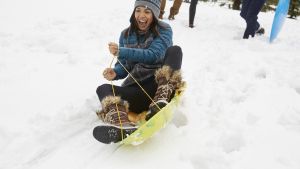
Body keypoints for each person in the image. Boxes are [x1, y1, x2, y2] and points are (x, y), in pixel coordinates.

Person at [94, 0, 183, 141]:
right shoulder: (125, 35)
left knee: (175, 50)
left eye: (147, 11)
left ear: (154, 14)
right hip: (138, 91)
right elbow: (125, 65)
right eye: (138, 10)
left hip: (159, 84)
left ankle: (162, 98)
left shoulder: (164, 30)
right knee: (102, 89)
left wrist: (122, 51)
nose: (141, 15)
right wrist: (116, 72)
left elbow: (154, 55)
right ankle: (121, 124)